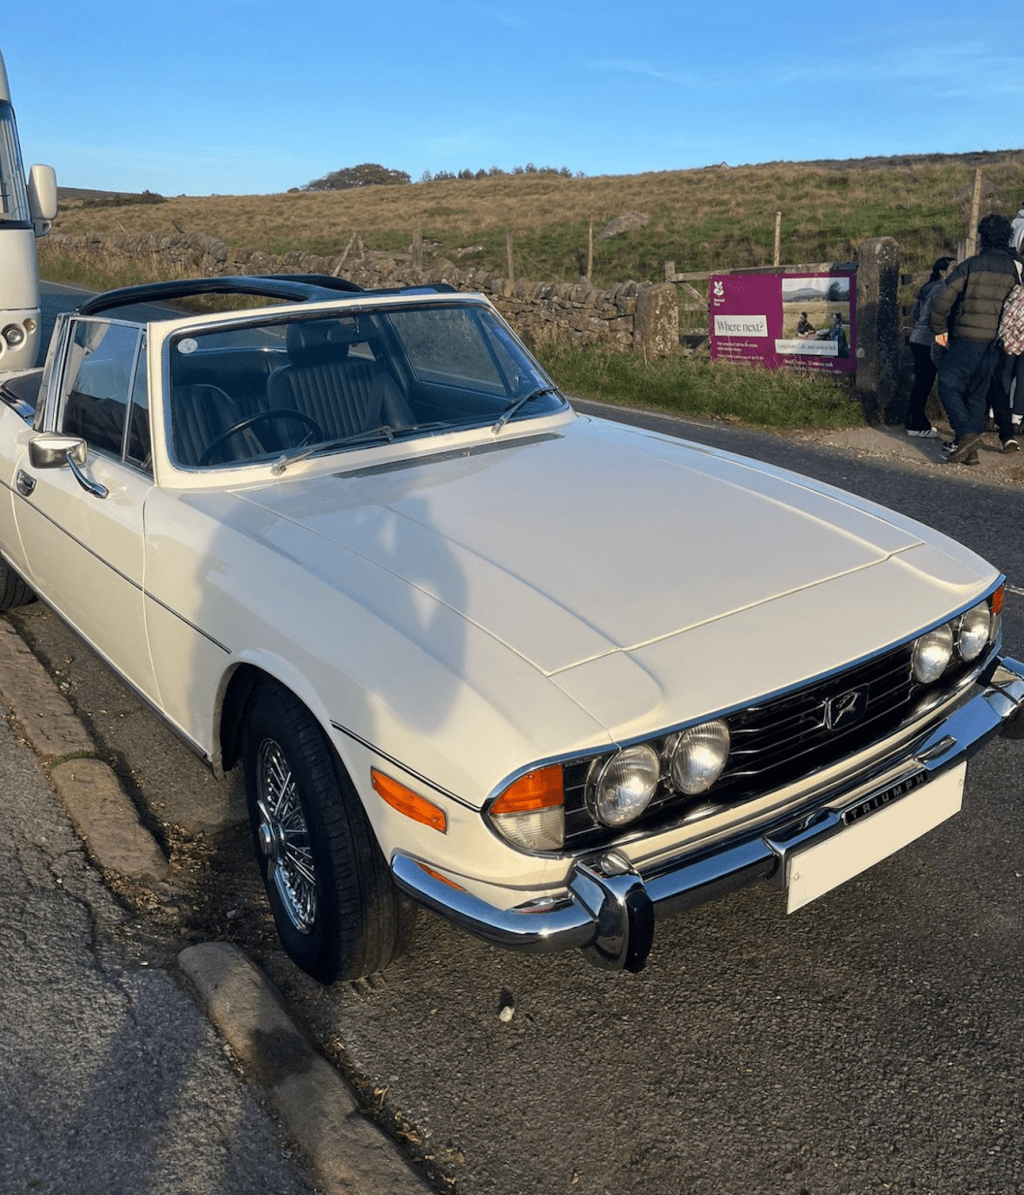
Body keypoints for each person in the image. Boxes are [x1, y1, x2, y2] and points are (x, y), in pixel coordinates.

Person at [929, 213, 1022, 464]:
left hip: (968, 336)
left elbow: (943, 299)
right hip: (998, 341)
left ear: (982, 237)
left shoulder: (970, 265)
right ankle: (968, 453)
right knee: (977, 394)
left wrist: (939, 329)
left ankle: (967, 435)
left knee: (948, 384)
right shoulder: (1016, 268)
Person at [905, 256, 955, 437]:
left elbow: (916, 314)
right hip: (927, 340)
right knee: (923, 383)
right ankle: (916, 425)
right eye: (953, 268)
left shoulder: (928, 288)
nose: (957, 272)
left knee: (921, 382)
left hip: (917, 337)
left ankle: (914, 422)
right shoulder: (942, 289)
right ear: (942, 272)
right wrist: (944, 344)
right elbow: (937, 320)